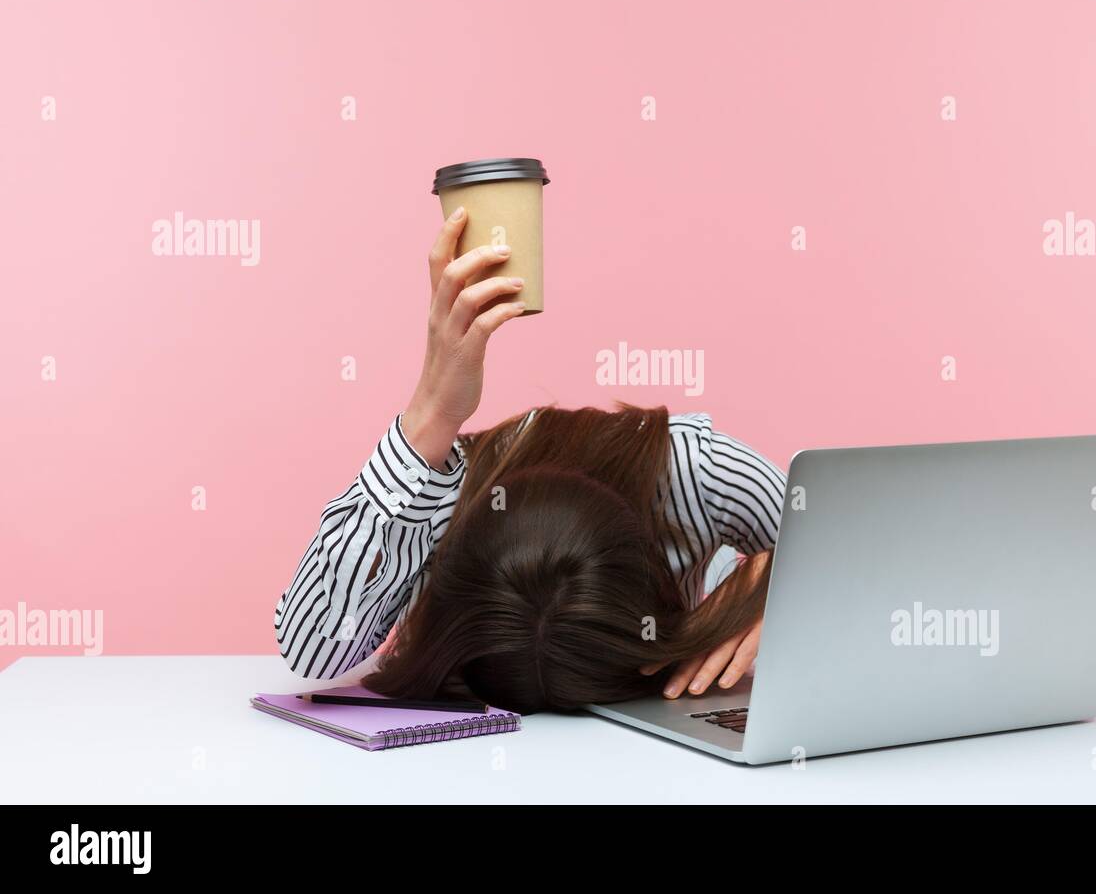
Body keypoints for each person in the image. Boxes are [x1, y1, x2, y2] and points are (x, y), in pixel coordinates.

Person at [274, 207, 786, 713]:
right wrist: (427, 420)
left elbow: (860, 553)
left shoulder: (696, 472)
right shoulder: (437, 502)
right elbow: (313, 646)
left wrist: (785, 586)